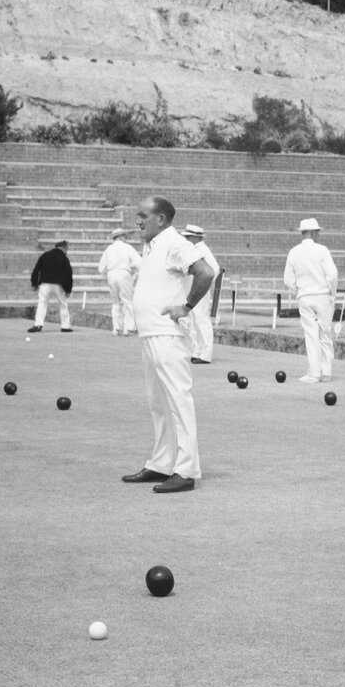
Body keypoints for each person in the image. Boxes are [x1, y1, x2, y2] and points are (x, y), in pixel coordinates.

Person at [121, 196, 216, 494]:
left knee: (178, 400)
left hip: (167, 334)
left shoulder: (175, 243)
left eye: (143, 216)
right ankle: (161, 463)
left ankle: (186, 470)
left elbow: (206, 272)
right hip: (150, 334)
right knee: (158, 402)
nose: (138, 221)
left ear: (160, 218)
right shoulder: (151, 245)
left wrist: (186, 306)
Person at [283, 218, 338, 382]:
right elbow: (333, 275)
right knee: (325, 334)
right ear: (314, 233)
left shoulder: (294, 251)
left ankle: (314, 373)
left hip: (305, 296)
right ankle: (326, 372)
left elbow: (287, 279)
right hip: (323, 296)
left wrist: (297, 289)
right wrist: (332, 293)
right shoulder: (322, 250)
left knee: (311, 334)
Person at [181, 224, 220, 364]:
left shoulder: (203, 250)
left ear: (195, 237)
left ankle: (206, 354)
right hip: (194, 290)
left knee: (201, 320)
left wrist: (204, 284)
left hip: (201, 290)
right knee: (193, 320)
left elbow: (214, 269)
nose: (186, 239)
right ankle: (197, 351)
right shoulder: (195, 249)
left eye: (188, 236)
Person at [97, 227, 141, 336]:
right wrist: (135, 275)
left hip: (111, 274)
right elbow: (139, 263)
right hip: (123, 273)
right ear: (121, 237)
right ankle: (128, 328)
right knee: (127, 301)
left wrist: (106, 277)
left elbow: (101, 268)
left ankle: (116, 328)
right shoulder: (127, 247)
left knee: (115, 302)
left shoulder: (108, 249)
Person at [29, 238, 74, 332]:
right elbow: (68, 274)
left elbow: (36, 270)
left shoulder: (45, 255)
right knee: (63, 304)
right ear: (63, 248)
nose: (67, 251)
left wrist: (34, 283)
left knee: (42, 303)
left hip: (45, 284)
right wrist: (68, 289)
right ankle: (65, 326)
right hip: (59, 285)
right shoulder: (64, 258)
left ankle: (38, 325)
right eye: (66, 249)